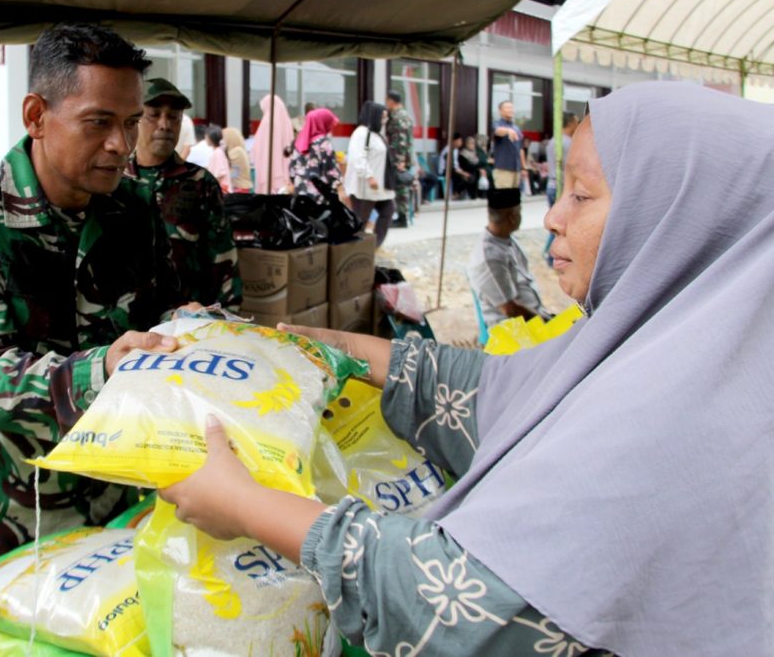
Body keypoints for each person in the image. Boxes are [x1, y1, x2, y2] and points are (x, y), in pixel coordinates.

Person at [160, 81, 774, 656]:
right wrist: (306, 344)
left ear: (681, 215)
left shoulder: (675, 420)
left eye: (582, 195)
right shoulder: (665, 347)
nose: (554, 218)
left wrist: (243, 506)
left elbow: (463, 599)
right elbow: (489, 392)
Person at [0, 24, 184, 592]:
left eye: (130, 123)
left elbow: (160, 320)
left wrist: (194, 331)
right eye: (99, 122)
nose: (122, 144)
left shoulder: (133, 211)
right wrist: (105, 367)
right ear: (36, 115)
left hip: (111, 506)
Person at [125, 79, 241, 309]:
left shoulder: (200, 183)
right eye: (154, 114)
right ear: (135, 119)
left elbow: (223, 257)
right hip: (126, 325)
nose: (165, 124)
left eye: (173, 117)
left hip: (186, 323)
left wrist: (227, 318)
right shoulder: (115, 180)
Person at [466, 187, 550, 326]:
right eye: (520, 212)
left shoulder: (505, 240)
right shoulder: (489, 258)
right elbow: (510, 309)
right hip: (513, 329)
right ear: (512, 216)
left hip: (532, 317)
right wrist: (544, 321)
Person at [344, 101, 395, 246]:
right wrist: (369, 176)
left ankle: (374, 246)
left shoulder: (375, 134)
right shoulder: (361, 133)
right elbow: (357, 158)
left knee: (388, 210)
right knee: (361, 219)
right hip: (366, 186)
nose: (384, 121)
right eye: (382, 117)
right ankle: (353, 250)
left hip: (379, 186)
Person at [544, 112, 578, 264]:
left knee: (557, 225)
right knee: (562, 225)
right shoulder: (569, 143)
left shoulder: (553, 141)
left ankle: (548, 253)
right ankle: (551, 256)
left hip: (551, 185)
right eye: (576, 122)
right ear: (570, 123)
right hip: (561, 187)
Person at [288, 107, 343, 202]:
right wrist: (340, 188)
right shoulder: (324, 143)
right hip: (320, 196)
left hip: (300, 194)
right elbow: (331, 170)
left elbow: (292, 170)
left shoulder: (299, 141)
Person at [251, 94, 294, 193]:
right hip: (283, 167)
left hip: (267, 166)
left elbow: (261, 148)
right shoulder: (286, 121)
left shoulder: (267, 122)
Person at [385, 89, 414, 224]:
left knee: (401, 187)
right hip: (403, 157)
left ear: (391, 101)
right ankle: (403, 216)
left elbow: (400, 140)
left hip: (398, 158)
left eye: (387, 101)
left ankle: (403, 217)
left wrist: (400, 160)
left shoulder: (398, 117)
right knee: (401, 186)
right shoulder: (405, 115)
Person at [491, 100, 524, 189]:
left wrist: (524, 167)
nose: (510, 110)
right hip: (503, 169)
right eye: (507, 108)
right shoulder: (496, 124)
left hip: (516, 168)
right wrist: (507, 131)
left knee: (514, 200)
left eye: (511, 108)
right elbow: (497, 131)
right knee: (504, 199)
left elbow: (520, 149)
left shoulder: (516, 127)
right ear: (500, 110)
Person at [222, 126, 253, 193]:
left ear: (230, 139)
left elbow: (223, 165)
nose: (222, 141)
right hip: (240, 187)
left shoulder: (237, 151)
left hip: (239, 188)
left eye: (223, 138)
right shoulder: (239, 150)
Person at [203, 124, 232, 193]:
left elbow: (219, 174)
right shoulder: (219, 151)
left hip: (221, 191)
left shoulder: (217, 153)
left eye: (206, 136)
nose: (205, 138)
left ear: (210, 138)